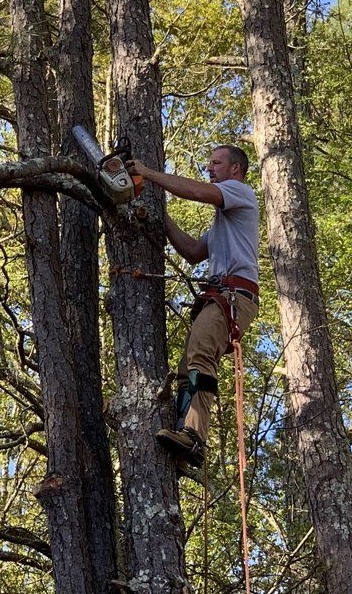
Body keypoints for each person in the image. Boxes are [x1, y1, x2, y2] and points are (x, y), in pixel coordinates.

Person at [125, 145, 260, 470]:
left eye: (216, 163)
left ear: (235, 170)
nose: (210, 168)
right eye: (209, 163)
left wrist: (150, 174)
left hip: (233, 296)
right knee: (190, 369)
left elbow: (199, 192)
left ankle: (194, 435)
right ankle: (188, 441)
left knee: (200, 355)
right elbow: (192, 251)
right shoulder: (224, 223)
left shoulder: (240, 192)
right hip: (223, 296)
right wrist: (160, 213)